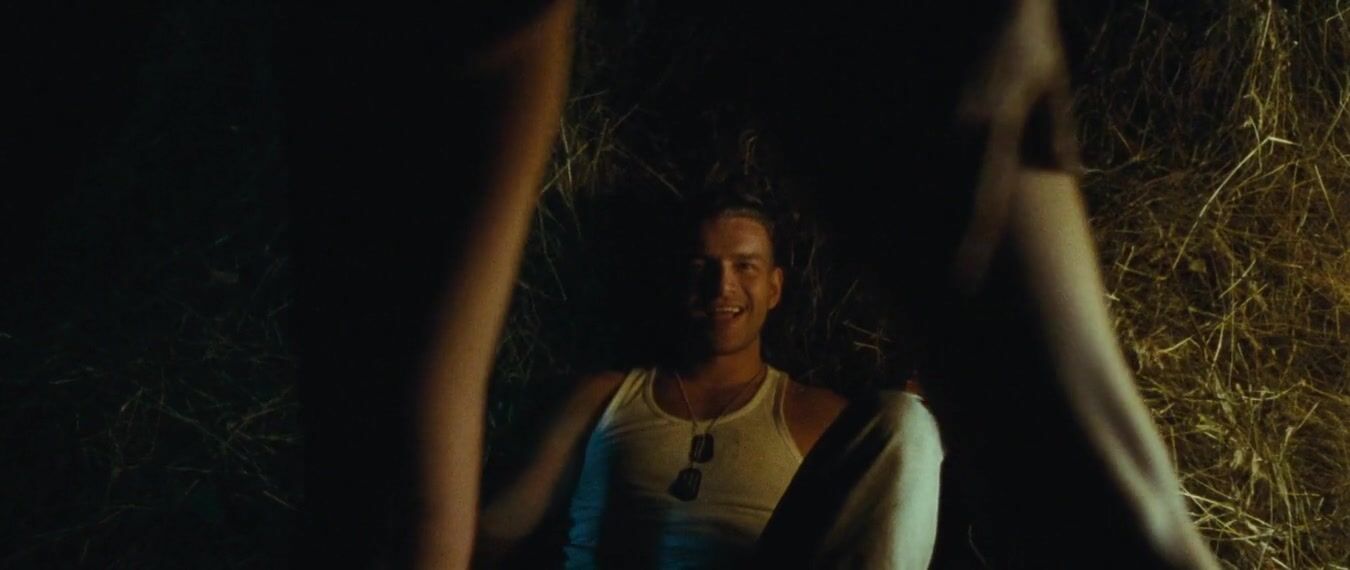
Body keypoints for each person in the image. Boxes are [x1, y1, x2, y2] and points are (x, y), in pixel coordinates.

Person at [473, 192, 945, 568]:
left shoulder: (819, 415)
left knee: (907, 422)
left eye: (745, 266)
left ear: (774, 288)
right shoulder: (603, 398)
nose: (722, 287)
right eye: (702, 266)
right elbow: (498, 530)